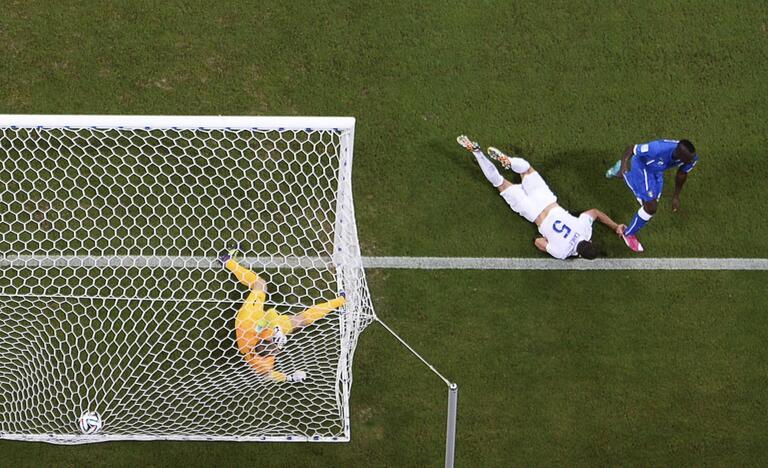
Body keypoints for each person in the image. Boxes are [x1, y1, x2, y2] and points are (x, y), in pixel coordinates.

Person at [457, 135, 625, 260]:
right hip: (533, 213)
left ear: (591, 242)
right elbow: (538, 242)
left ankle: (508, 160)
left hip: (546, 200)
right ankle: (477, 152)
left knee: (527, 170)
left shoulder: (585, 230)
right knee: (500, 183)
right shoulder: (562, 252)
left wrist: (615, 226)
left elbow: (595, 212)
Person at [218, 247, 346, 383]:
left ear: (265, 339)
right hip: (267, 327)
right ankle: (341, 300)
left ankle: (227, 261)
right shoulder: (263, 364)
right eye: (275, 347)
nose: (277, 347)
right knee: (300, 320)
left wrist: (277, 330)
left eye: (273, 343)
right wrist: (290, 378)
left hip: (247, 319)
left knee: (260, 284)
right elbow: (268, 375)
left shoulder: (259, 332)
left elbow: (270, 314)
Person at [605, 139, 699, 252]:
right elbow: (631, 148)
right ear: (679, 154)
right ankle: (628, 234)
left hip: (656, 170)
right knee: (651, 207)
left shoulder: (691, 157)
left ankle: (623, 173)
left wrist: (676, 196)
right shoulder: (657, 148)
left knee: (648, 203)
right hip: (641, 166)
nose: (691, 160)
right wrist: (624, 165)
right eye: (688, 159)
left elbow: (682, 173)